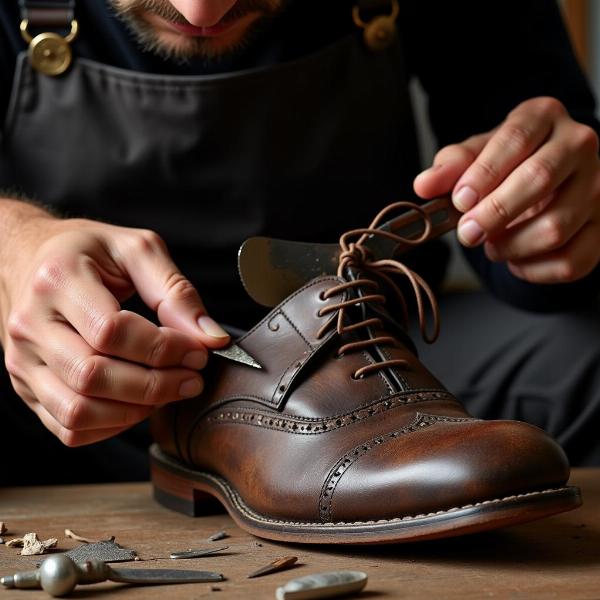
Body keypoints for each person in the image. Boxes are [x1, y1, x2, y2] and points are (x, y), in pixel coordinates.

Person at [0, 0, 599, 485]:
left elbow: (541, 173)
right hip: (59, 376)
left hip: (371, 355)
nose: (202, 10)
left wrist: (551, 220)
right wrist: (14, 243)